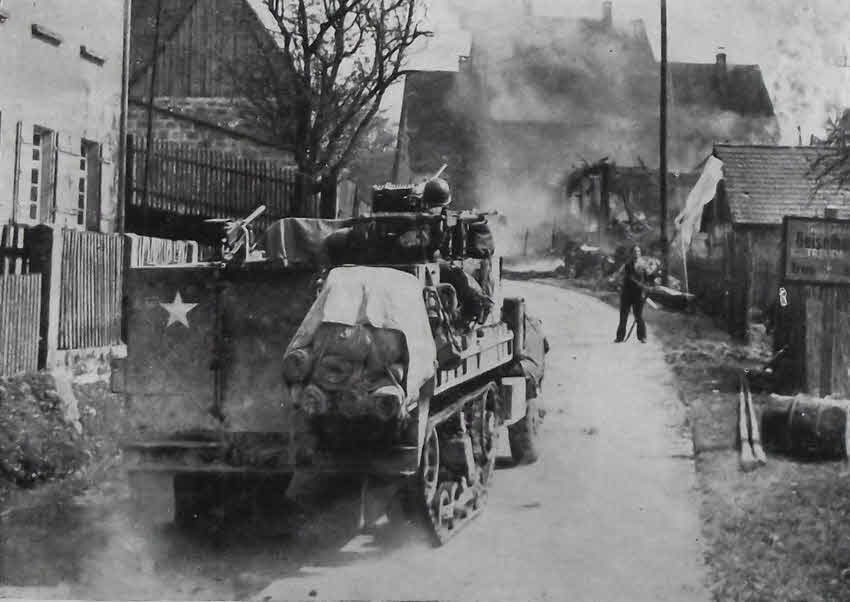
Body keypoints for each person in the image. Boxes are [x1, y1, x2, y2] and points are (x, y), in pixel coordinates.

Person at [615, 245, 649, 343]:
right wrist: (641, 285)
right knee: (623, 316)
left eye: (638, 251)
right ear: (631, 253)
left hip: (638, 294)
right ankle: (620, 337)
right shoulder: (627, 264)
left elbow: (648, 279)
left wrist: (646, 289)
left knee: (639, 316)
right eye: (635, 251)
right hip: (627, 293)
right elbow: (629, 277)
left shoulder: (643, 265)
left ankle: (642, 337)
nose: (637, 253)